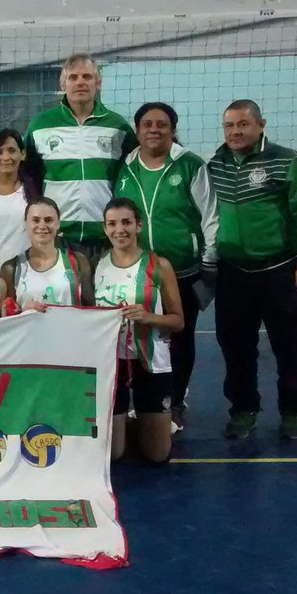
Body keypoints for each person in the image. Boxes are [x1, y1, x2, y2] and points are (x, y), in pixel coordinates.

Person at [208, 100, 297, 441]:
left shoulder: (285, 160)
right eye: (229, 125)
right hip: (233, 273)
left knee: (290, 346)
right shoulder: (215, 165)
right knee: (235, 347)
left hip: (280, 271)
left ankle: (293, 411)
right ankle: (243, 410)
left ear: (261, 125)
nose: (235, 131)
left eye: (243, 124)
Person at [115, 103, 219, 432]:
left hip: (184, 269)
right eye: (147, 124)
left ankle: (175, 401)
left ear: (173, 130)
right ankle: (148, 402)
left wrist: (209, 258)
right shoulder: (125, 167)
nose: (154, 129)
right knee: (140, 336)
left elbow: (210, 214)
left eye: (161, 124)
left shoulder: (190, 164)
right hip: (138, 271)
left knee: (179, 336)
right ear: (137, 130)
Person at [92, 197, 184, 464]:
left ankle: (147, 422)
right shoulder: (98, 264)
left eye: (126, 222)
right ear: (105, 228)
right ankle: (128, 424)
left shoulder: (159, 266)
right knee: (114, 454)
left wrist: (148, 317)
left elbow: (178, 321)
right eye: (112, 224)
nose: (119, 229)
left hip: (151, 361)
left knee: (157, 456)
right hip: (112, 362)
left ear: (139, 225)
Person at [24, 54, 135, 258]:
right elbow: (27, 174)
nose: (80, 82)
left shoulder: (118, 126)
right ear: (63, 83)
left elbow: (132, 174)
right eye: (73, 77)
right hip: (57, 236)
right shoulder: (40, 124)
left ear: (98, 82)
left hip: (107, 235)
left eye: (87, 76)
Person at [0, 197, 93, 311]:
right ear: (26, 224)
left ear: (58, 224)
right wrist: (24, 312)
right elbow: (5, 317)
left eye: (48, 220)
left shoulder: (78, 261)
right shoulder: (11, 269)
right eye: (36, 220)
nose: (42, 226)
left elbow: (91, 310)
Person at [0, 129, 38, 272]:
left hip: (28, 272)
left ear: (23, 154)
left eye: (12, 150)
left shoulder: (33, 188)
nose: (6, 157)